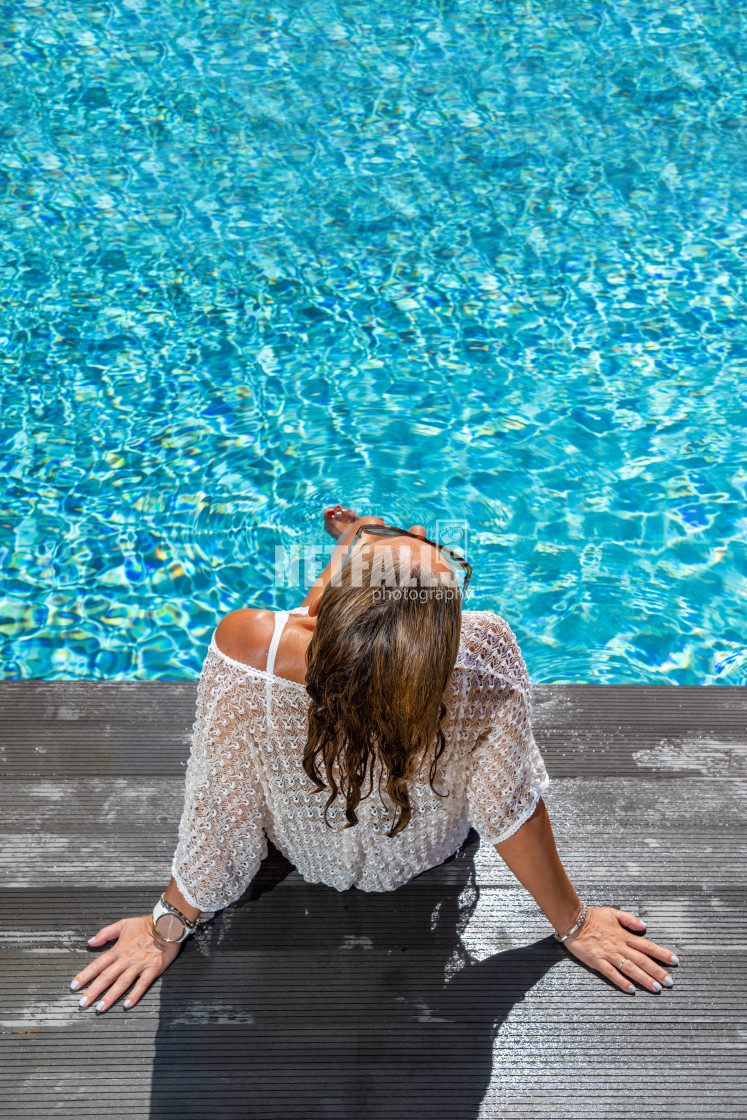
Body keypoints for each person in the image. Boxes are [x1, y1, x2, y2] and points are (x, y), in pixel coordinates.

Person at [69, 507, 678, 1013]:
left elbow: (221, 810)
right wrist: (573, 923)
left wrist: (165, 925)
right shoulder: (482, 647)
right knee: (387, 607)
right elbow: (508, 805)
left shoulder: (248, 647)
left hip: (300, 843)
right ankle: (370, 537)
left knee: (343, 614)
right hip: (429, 843)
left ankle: (363, 539)